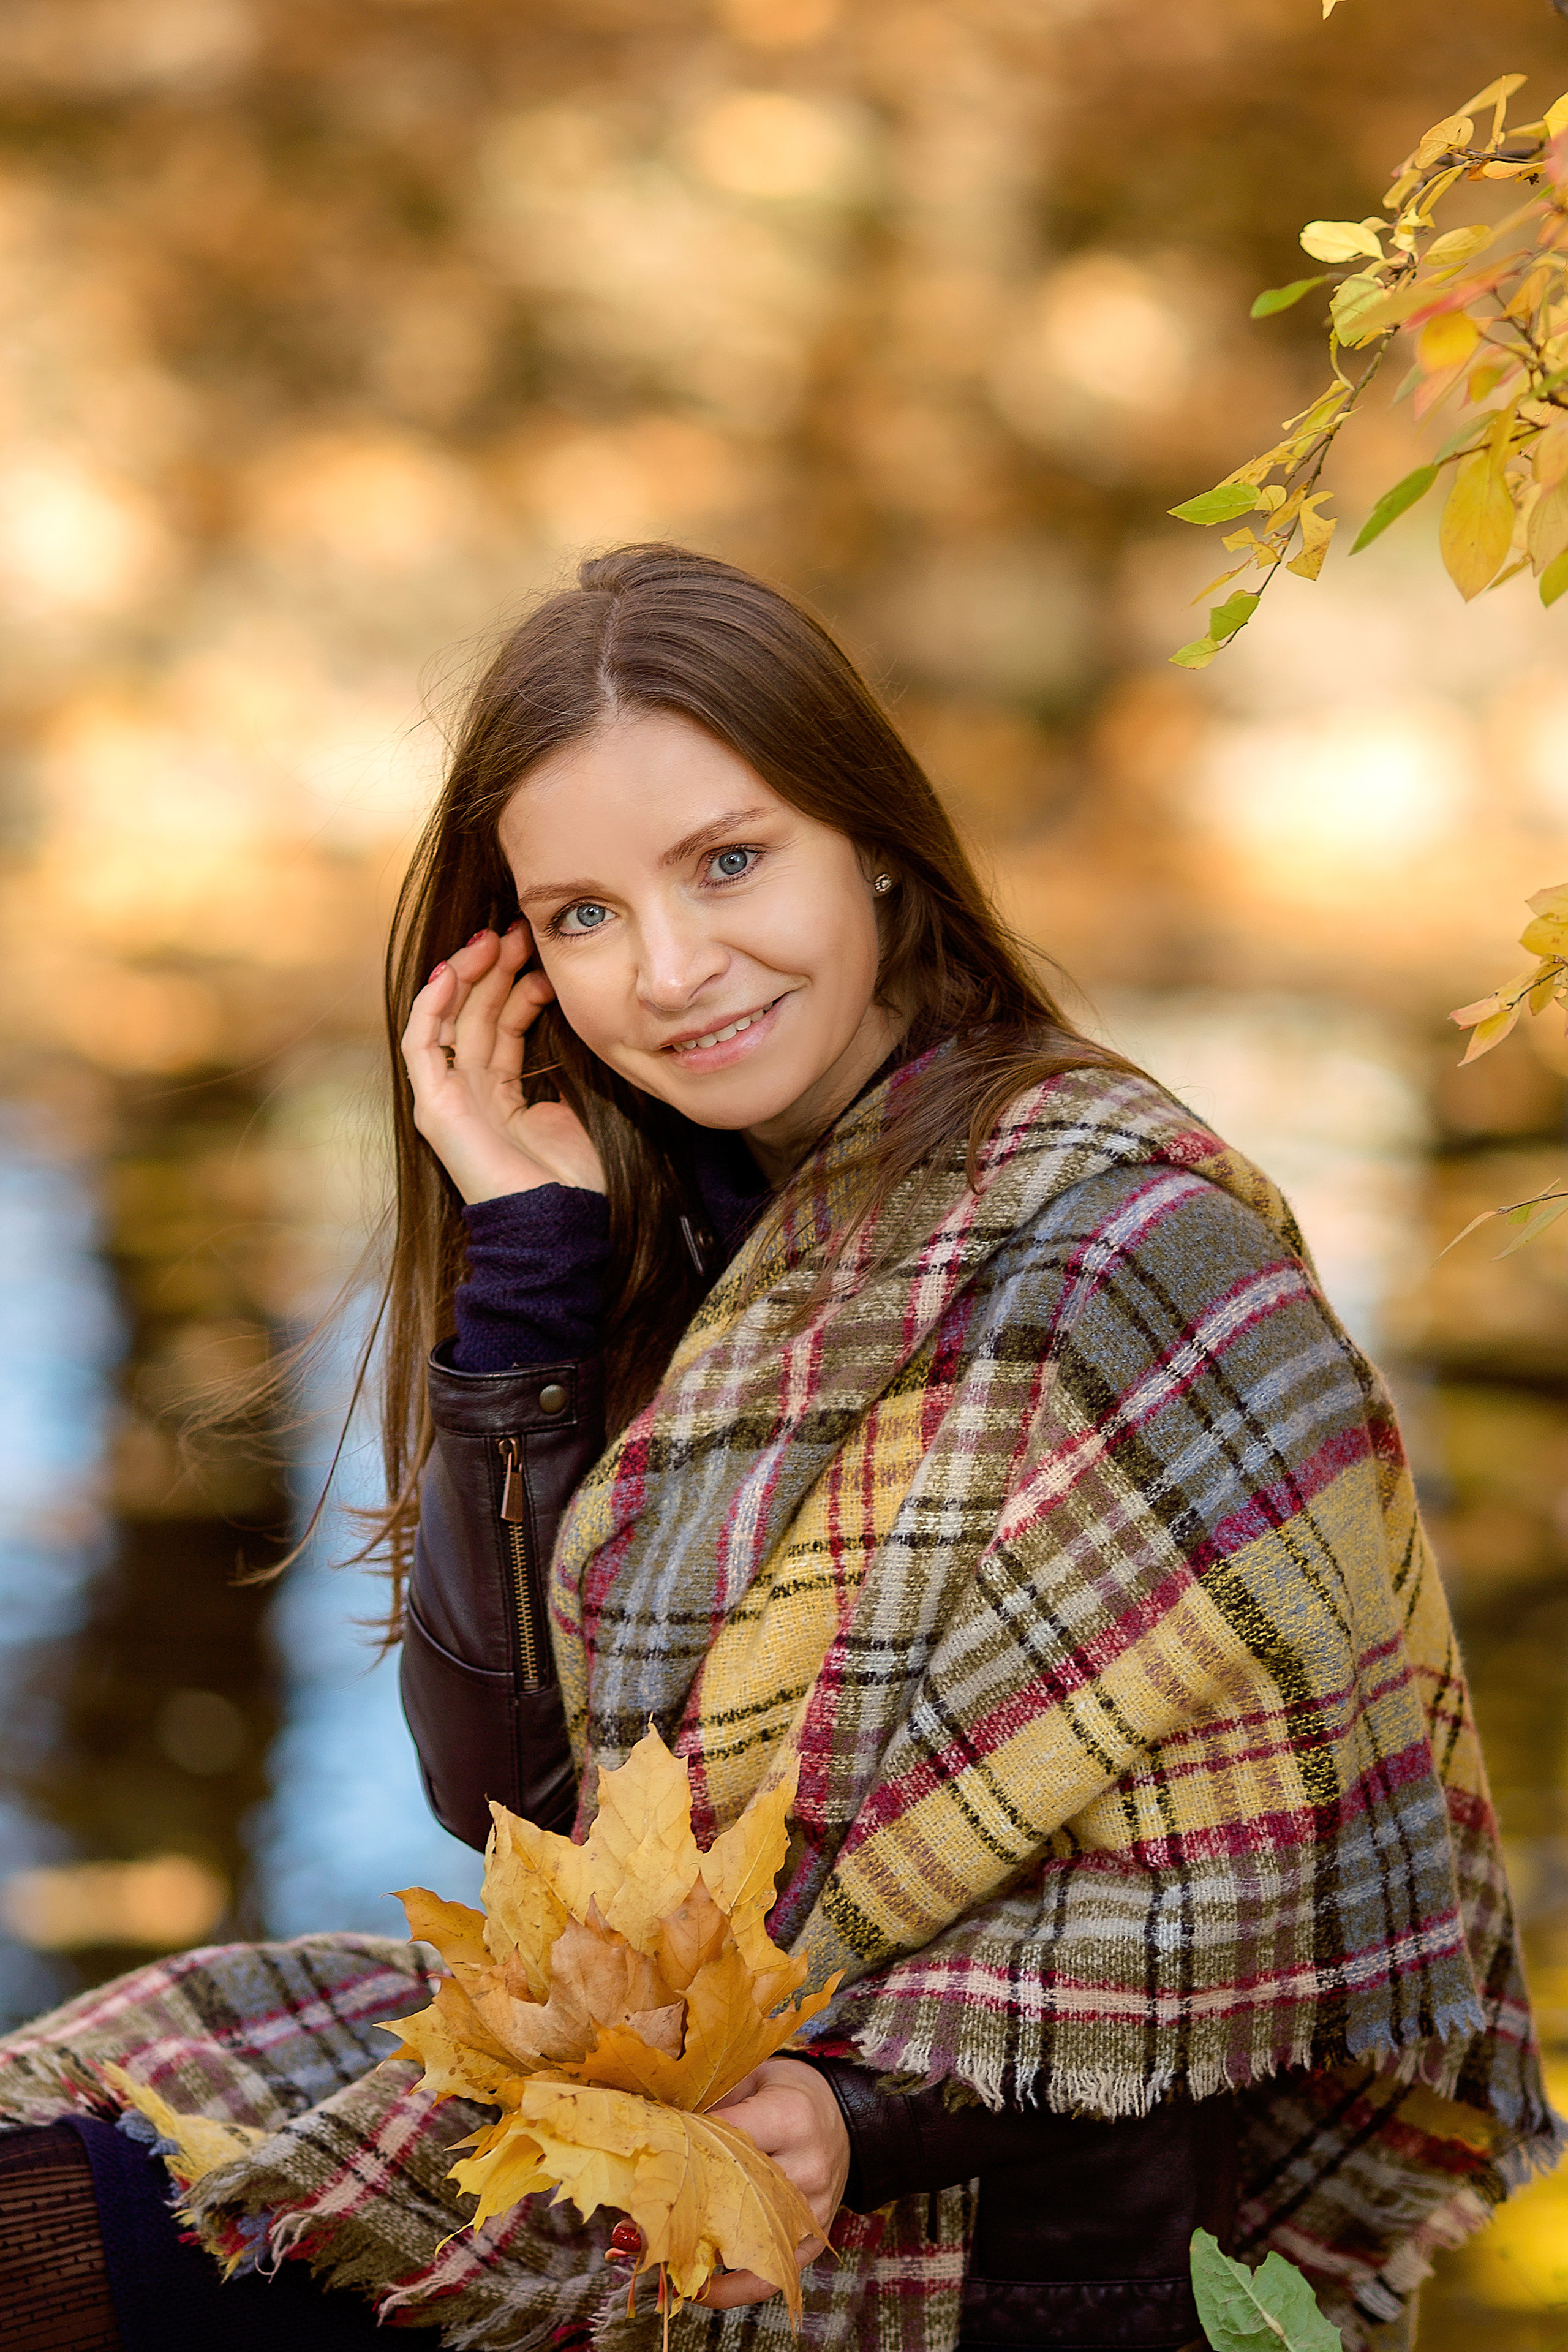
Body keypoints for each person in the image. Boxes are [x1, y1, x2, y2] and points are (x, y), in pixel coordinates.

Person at [0, 545, 1556, 2352]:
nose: (669, 971)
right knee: (62, 2160)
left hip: (1002, 2242)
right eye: (580, 915)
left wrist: (860, 2112)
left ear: (874, 842)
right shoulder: (660, 1223)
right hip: (652, 2080)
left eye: (729, 862)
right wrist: (524, 1276)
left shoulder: (1129, 1241)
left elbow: (1258, 1900)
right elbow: (514, 1802)